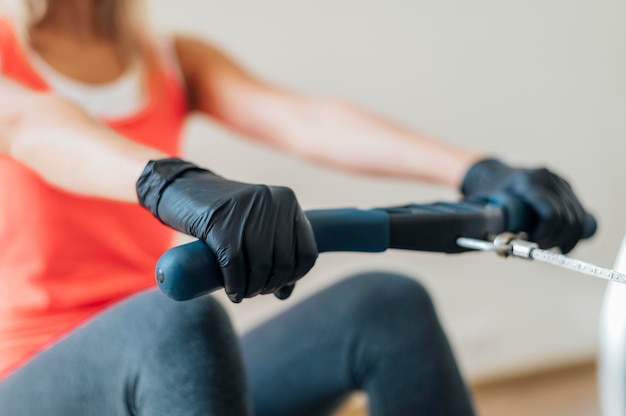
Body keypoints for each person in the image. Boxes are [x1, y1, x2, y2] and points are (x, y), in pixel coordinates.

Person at [0, 1, 587, 415]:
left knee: (386, 303)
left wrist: (479, 169)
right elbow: (31, 124)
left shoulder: (170, 59)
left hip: (165, 371)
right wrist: (170, 183)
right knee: (178, 318)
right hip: (30, 380)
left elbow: (306, 120)